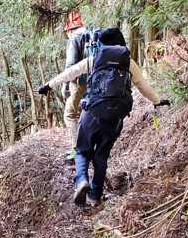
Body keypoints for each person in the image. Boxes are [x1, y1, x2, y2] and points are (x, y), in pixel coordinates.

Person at [39, 27, 170, 207]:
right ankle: (95, 196)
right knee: (101, 156)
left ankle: (81, 181)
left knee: (82, 151)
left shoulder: (95, 59)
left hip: (92, 114)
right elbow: (143, 86)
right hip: (115, 118)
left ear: (102, 43)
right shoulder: (128, 62)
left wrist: (48, 85)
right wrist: (157, 101)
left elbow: (70, 73)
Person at [62, 11, 87, 162]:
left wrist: (65, 84)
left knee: (70, 114)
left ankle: (76, 148)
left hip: (78, 83)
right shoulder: (91, 37)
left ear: (70, 29)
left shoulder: (74, 39)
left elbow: (71, 65)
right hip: (95, 83)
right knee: (85, 112)